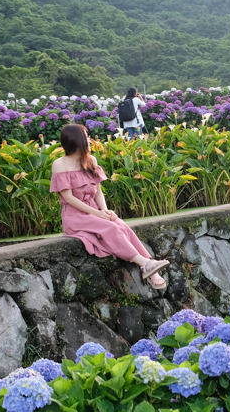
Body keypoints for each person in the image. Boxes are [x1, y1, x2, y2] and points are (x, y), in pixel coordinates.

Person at [50, 123, 169, 289]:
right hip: (75, 216)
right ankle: (145, 263)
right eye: (86, 137)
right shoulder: (60, 164)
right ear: (76, 141)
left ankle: (151, 270)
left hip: (95, 211)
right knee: (111, 228)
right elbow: (68, 198)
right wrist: (97, 214)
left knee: (121, 225)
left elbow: (98, 192)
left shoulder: (91, 160)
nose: (89, 140)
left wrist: (104, 210)